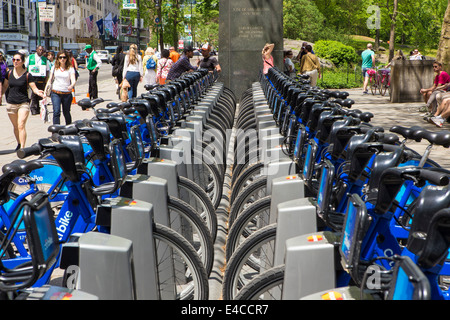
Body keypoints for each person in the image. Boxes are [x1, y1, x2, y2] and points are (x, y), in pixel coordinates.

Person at [2, 52, 45, 149]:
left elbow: (33, 88)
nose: (15, 62)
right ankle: (19, 143)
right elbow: (5, 86)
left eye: (18, 60)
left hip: (23, 103)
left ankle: (23, 148)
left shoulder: (27, 75)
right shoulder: (9, 73)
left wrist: (39, 92)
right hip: (11, 104)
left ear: (23, 62)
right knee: (16, 127)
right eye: (14, 60)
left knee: (21, 125)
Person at [45, 50, 76, 125]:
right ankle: (56, 130)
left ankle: (69, 128)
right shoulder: (54, 68)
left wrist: (71, 85)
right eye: (60, 57)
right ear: (58, 59)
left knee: (66, 112)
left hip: (67, 93)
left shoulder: (70, 68)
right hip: (56, 92)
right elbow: (50, 79)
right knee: (56, 111)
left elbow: (73, 80)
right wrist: (46, 90)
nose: (62, 59)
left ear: (66, 58)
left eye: (64, 57)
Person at [25, 45, 50, 114]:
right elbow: (25, 67)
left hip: (40, 78)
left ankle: (38, 108)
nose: (41, 51)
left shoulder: (44, 59)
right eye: (39, 50)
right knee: (33, 93)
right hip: (32, 78)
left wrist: (46, 79)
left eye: (42, 50)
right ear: (36, 50)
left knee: (39, 93)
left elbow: (47, 70)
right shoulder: (30, 57)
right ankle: (33, 108)